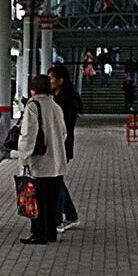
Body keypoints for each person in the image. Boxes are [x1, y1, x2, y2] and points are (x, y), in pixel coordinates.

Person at [18, 74, 68, 244]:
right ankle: (51, 232)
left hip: (40, 161)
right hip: (57, 161)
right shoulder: (55, 106)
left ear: (33, 89)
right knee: (52, 200)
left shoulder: (33, 105)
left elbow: (28, 134)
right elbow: (63, 133)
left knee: (37, 200)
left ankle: (39, 234)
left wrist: (23, 157)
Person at [48, 65, 81, 233]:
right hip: (59, 144)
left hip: (61, 144)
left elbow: (64, 126)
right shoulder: (57, 97)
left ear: (60, 80)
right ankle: (70, 214)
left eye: (51, 78)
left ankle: (61, 217)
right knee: (57, 180)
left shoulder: (66, 100)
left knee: (56, 180)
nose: (49, 81)